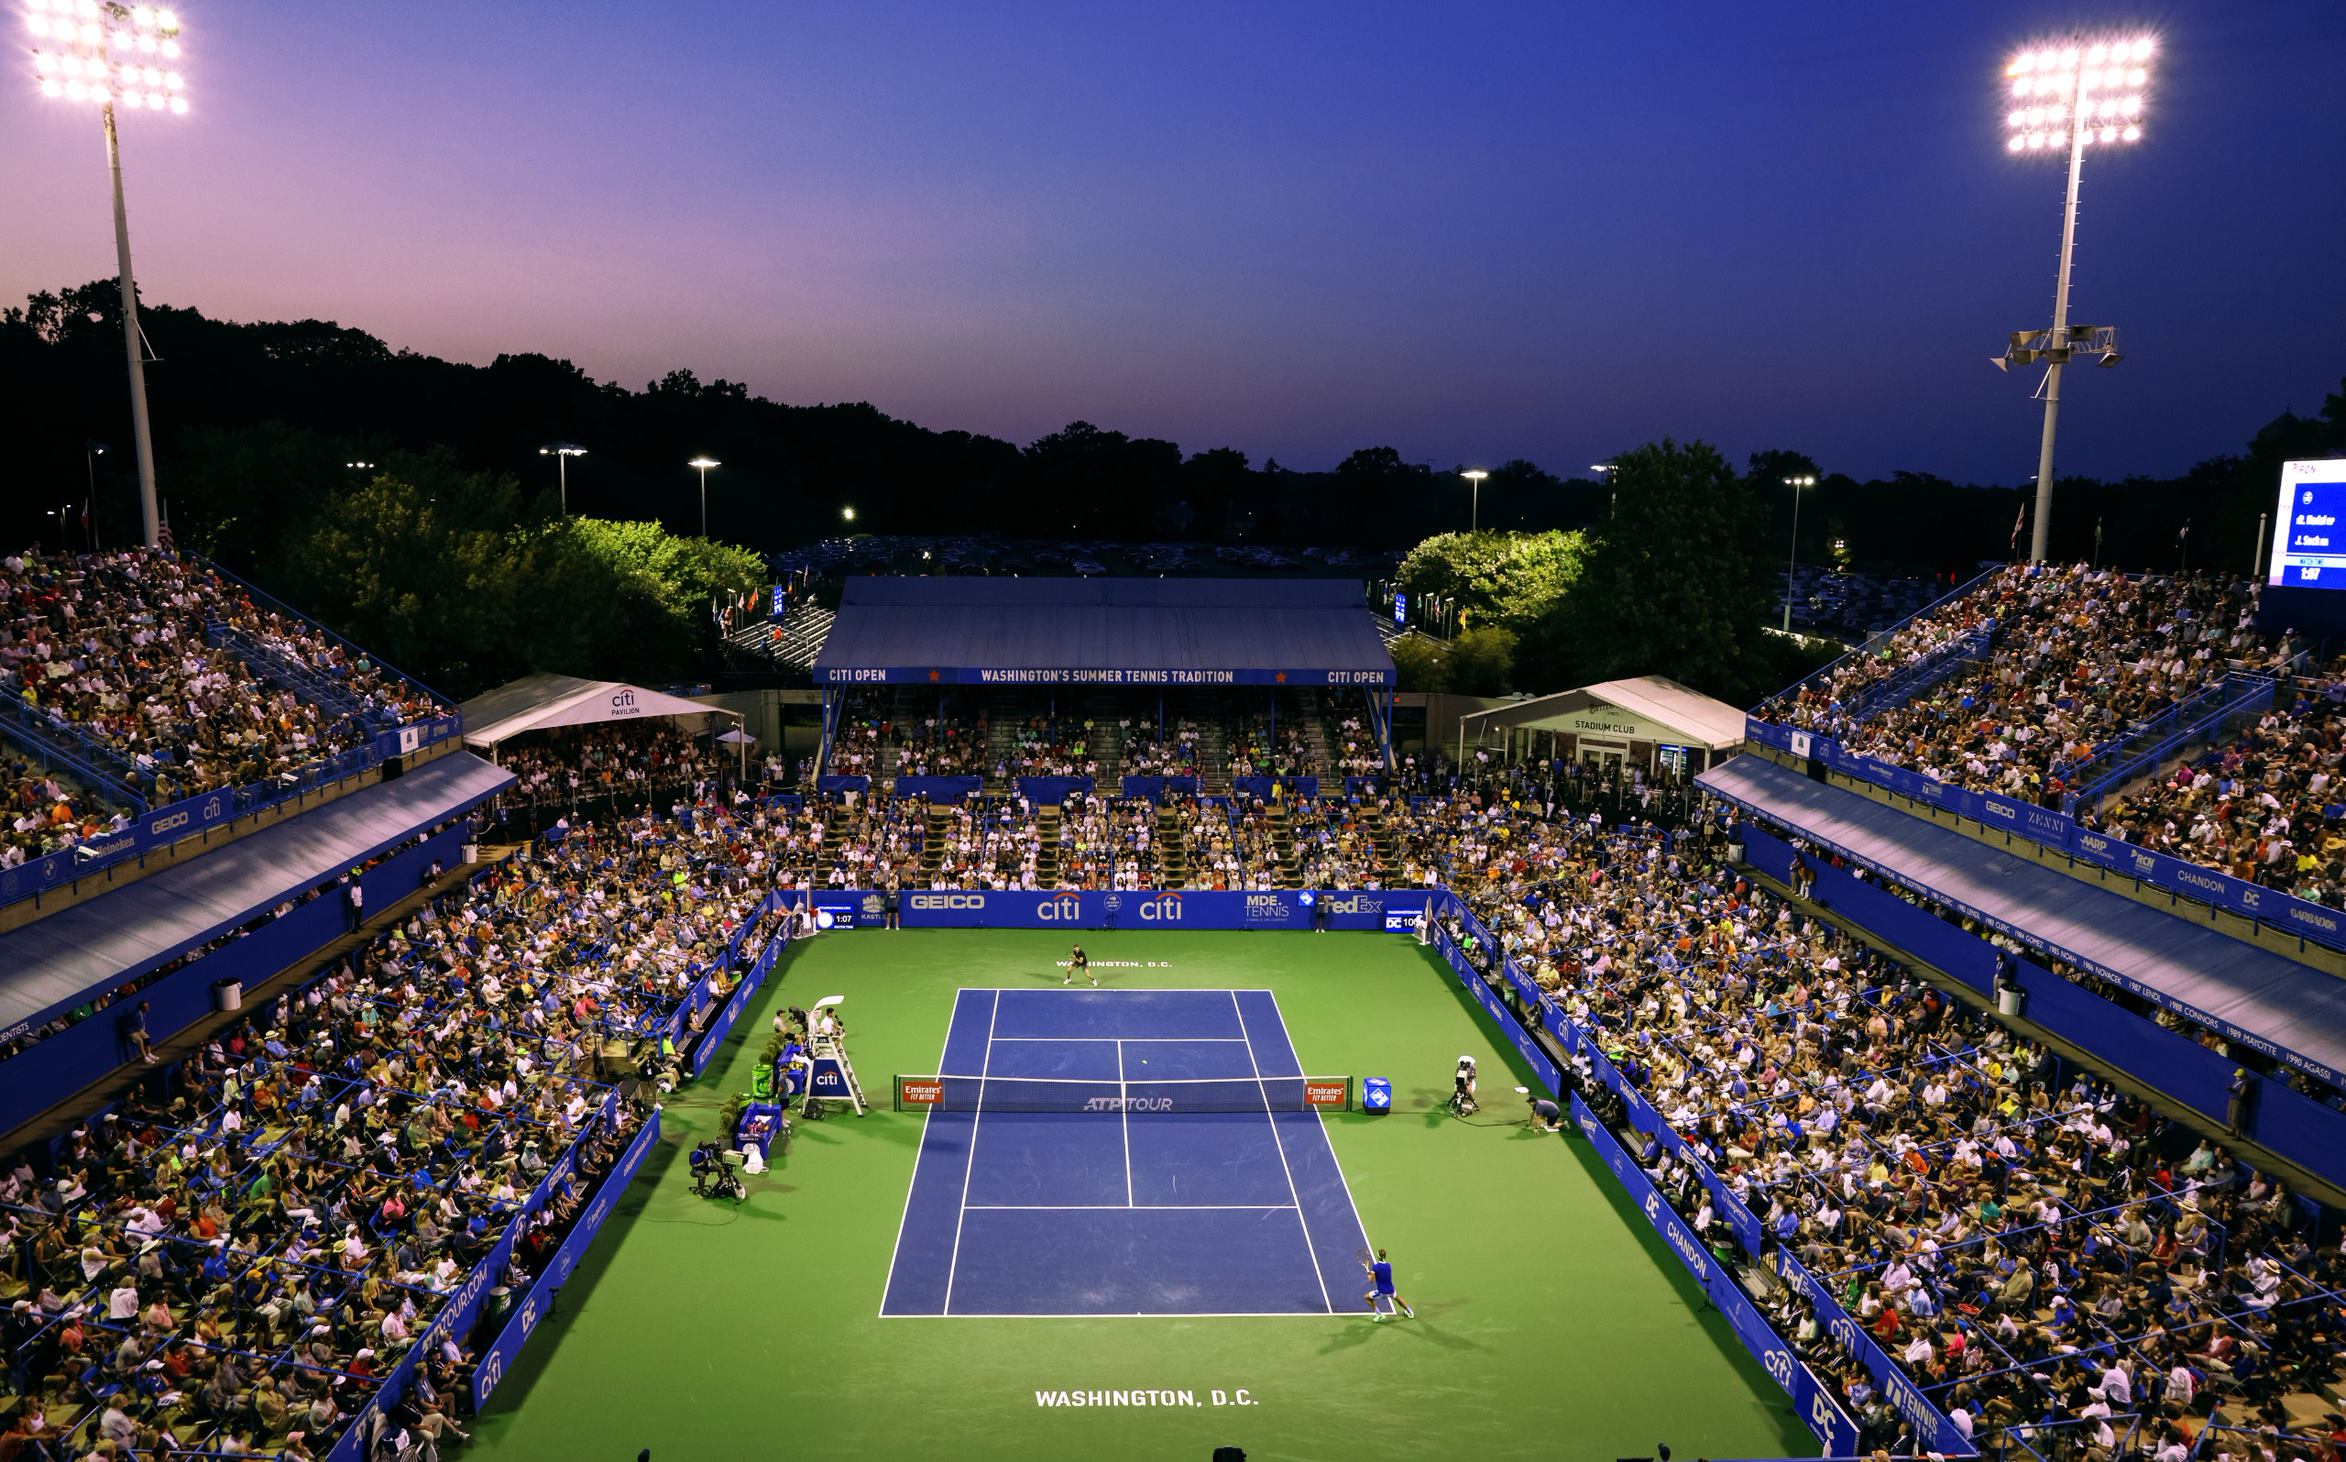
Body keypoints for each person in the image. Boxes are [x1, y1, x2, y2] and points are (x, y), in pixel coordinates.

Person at [1360, 1248, 1414, 1321]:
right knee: (1397, 1298)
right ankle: (1410, 1311)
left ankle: (1379, 1314)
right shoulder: (1388, 1265)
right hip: (1391, 1290)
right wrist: (1371, 1273)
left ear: (1378, 1256)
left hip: (1382, 1292)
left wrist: (1369, 1274)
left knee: (1366, 1297)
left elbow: (1371, 1281)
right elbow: (1381, 1274)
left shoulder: (1375, 1267)